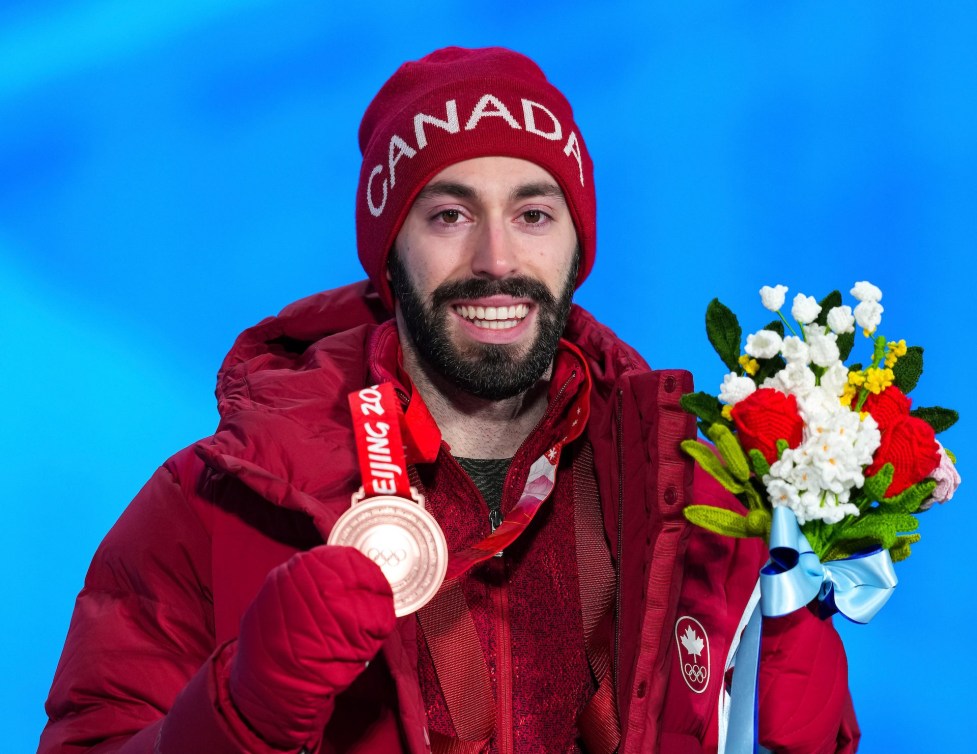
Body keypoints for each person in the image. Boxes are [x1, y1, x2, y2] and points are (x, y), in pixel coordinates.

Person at [40, 47, 859, 754]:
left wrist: (787, 656)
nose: (495, 258)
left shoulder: (701, 498)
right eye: (448, 214)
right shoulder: (214, 506)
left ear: (577, 246)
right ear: (386, 250)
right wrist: (239, 711)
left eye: (533, 213)